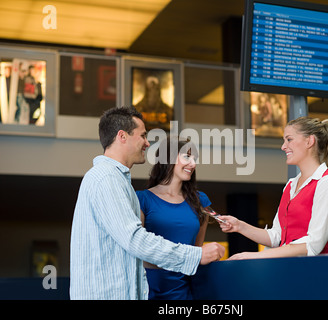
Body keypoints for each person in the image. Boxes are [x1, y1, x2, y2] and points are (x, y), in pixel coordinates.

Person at [70, 106, 224, 300]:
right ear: (122, 136)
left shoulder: (115, 180)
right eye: (143, 136)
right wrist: (194, 256)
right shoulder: (106, 178)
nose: (147, 143)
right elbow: (135, 239)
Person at [219, 116, 328, 259]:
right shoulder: (291, 185)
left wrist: (253, 256)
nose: (283, 146)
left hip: (316, 273)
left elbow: (313, 244)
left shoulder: (327, 183)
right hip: (289, 270)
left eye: (289, 139)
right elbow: (277, 236)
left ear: (309, 141)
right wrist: (239, 226)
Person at [136, 136, 211, 300]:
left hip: (185, 291)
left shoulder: (200, 201)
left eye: (194, 158)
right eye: (187, 156)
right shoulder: (142, 199)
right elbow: (138, 251)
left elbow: (197, 251)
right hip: (149, 289)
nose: (193, 163)